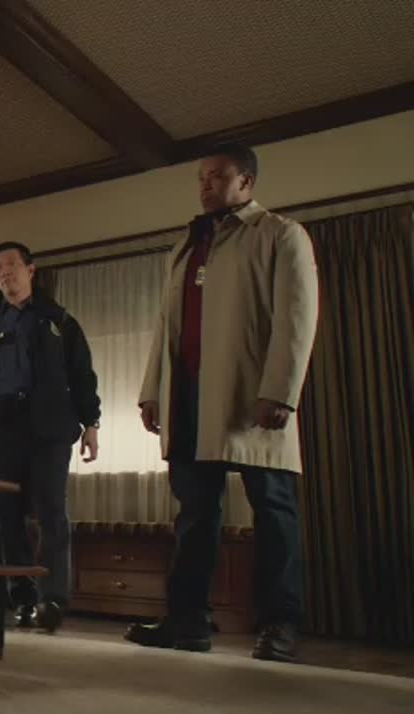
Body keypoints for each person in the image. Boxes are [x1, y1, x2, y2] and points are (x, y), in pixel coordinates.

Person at [127, 144, 319, 662]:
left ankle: (280, 624)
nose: (206, 185)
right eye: (201, 177)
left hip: (252, 395)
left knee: (273, 510)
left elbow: (297, 317)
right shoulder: (186, 246)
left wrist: (280, 391)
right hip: (188, 397)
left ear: (246, 183)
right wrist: (152, 390)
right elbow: (165, 325)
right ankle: (187, 622)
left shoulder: (281, 234)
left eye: (217, 176)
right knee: (195, 514)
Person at [0, 241, 101, 633]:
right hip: (0, 426)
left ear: (31, 270)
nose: (4, 273)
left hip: (50, 426)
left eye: (11, 265)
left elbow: (82, 374)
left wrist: (91, 424)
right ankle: (23, 598)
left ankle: (52, 598)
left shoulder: (60, 321)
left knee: (51, 512)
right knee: (6, 517)